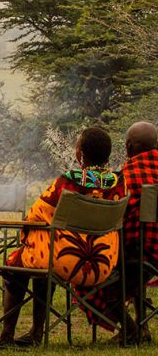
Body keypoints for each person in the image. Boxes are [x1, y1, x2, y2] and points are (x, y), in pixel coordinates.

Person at [0, 127, 126, 347]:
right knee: (45, 261)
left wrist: (26, 234)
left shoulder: (68, 182)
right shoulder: (119, 182)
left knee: (20, 264)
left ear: (80, 155)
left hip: (66, 261)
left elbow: (36, 214)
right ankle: (36, 332)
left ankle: (7, 336)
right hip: (102, 263)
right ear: (107, 155)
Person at [84, 122, 158, 343]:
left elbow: (111, 220)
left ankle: (131, 328)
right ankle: (141, 326)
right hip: (152, 255)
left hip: (136, 255)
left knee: (91, 268)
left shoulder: (126, 177)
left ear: (128, 147)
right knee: (136, 265)